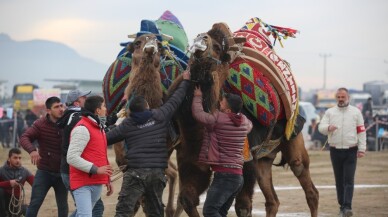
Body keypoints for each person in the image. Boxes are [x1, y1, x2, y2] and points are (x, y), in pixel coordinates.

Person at [106, 70, 190, 217]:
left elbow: (104, 139)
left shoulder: (127, 125)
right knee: (156, 212)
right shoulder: (160, 115)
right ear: (147, 107)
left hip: (135, 174)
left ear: (130, 111)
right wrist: (186, 81)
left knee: (123, 212)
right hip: (157, 174)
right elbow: (176, 99)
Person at [191, 87, 252, 217]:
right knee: (220, 212)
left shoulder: (218, 119)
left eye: (222, 103)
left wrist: (197, 97)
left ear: (228, 110)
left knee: (210, 211)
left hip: (225, 176)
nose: (220, 103)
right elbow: (249, 125)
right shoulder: (244, 122)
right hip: (238, 177)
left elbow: (199, 115)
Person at [318, 87, 366, 217]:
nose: (340, 99)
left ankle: (347, 207)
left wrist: (362, 149)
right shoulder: (330, 112)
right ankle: (342, 206)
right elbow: (320, 127)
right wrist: (328, 127)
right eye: (338, 97)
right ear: (336, 98)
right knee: (339, 180)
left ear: (348, 98)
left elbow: (361, 131)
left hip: (351, 150)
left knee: (349, 180)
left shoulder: (356, 112)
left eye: (343, 97)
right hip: (335, 150)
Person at [57, 89, 104, 217]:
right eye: (84, 98)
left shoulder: (81, 118)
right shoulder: (78, 119)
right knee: (93, 210)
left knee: (85, 211)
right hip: (77, 172)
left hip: (80, 171)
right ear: (77, 103)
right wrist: (95, 169)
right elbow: (72, 154)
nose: (87, 100)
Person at [19, 96, 68, 217]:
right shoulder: (40, 124)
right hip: (44, 172)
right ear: (48, 110)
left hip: (62, 172)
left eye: (61, 106)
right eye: (56, 107)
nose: (61, 109)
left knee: (63, 206)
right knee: (35, 203)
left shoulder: (68, 122)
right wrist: (32, 150)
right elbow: (24, 137)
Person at [67, 95, 113, 217]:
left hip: (96, 181)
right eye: (103, 106)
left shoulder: (99, 128)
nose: (105, 109)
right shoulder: (82, 128)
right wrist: (96, 169)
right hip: (82, 182)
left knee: (81, 214)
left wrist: (107, 179)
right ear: (97, 110)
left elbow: (100, 156)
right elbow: (71, 157)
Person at [0, 148, 34, 217]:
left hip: (16, 201)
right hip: (2, 202)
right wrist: (8, 183)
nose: (18, 160)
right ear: (9, 159)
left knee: (27, 210)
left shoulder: (25, 171)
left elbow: (37, 185)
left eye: (19, 158)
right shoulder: (1, 171)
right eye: (15, 158)